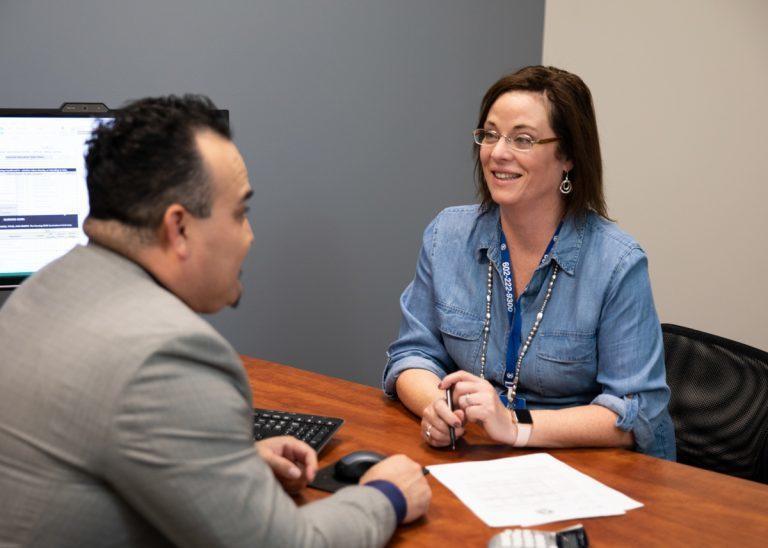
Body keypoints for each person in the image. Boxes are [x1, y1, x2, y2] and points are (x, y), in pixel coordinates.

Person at [0, 95, 430, 547]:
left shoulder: (41, 291)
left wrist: (223, 466)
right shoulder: (167, 356)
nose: (250, 236)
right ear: (179, 228)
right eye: (240, 213)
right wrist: (387, 495)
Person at [383, 66, 675, 460]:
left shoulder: (616, 262)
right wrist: (437, 406)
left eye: (523, 139)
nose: (497, 153)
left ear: (568, 155)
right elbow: (412, 356)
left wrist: (515, 425)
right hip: (481, 457)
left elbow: (637, 413)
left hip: (586, 468)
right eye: (489, 134)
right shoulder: (447, 235)